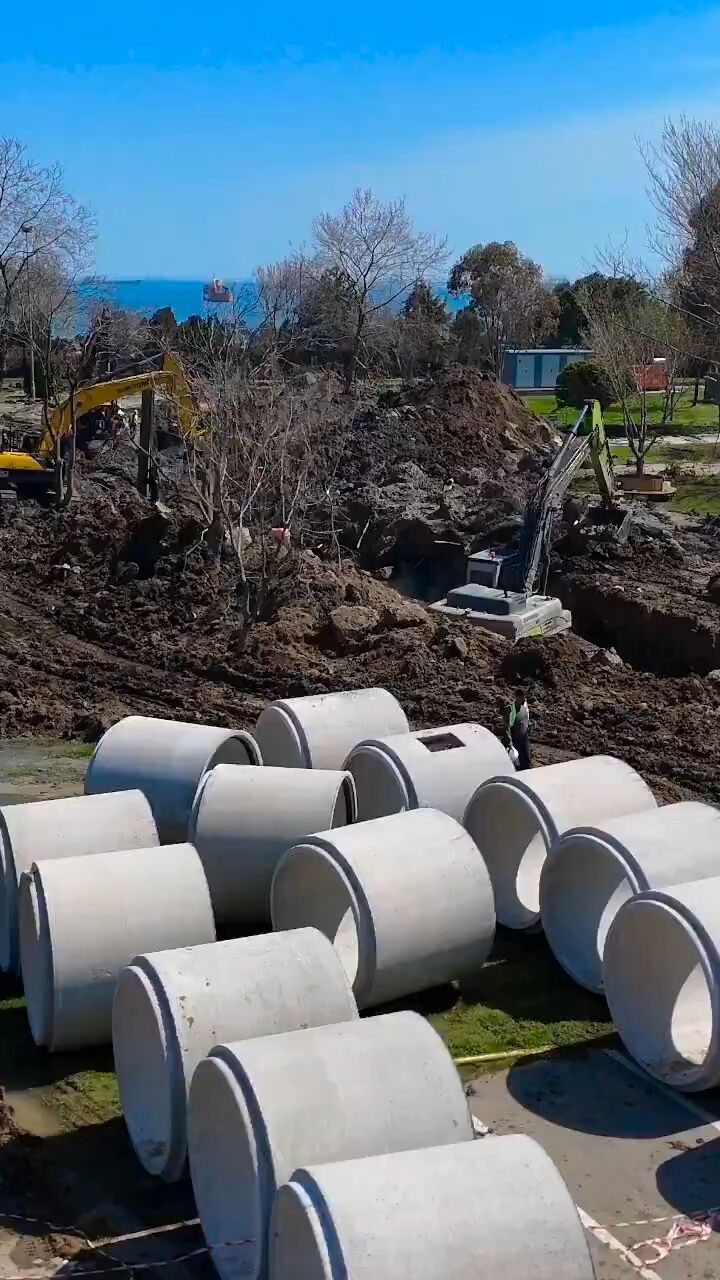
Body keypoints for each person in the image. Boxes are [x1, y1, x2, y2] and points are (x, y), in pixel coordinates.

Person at [508, 689, 532, 770]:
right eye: (522, 697)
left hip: (524, 734)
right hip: (516, 735)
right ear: (518, 697)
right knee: (519, 755)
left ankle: (526, 766)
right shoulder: (512, 708)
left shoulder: (524, 707)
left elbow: (526, 718)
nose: (524, 699)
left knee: (526, 754)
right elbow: (510, 724)